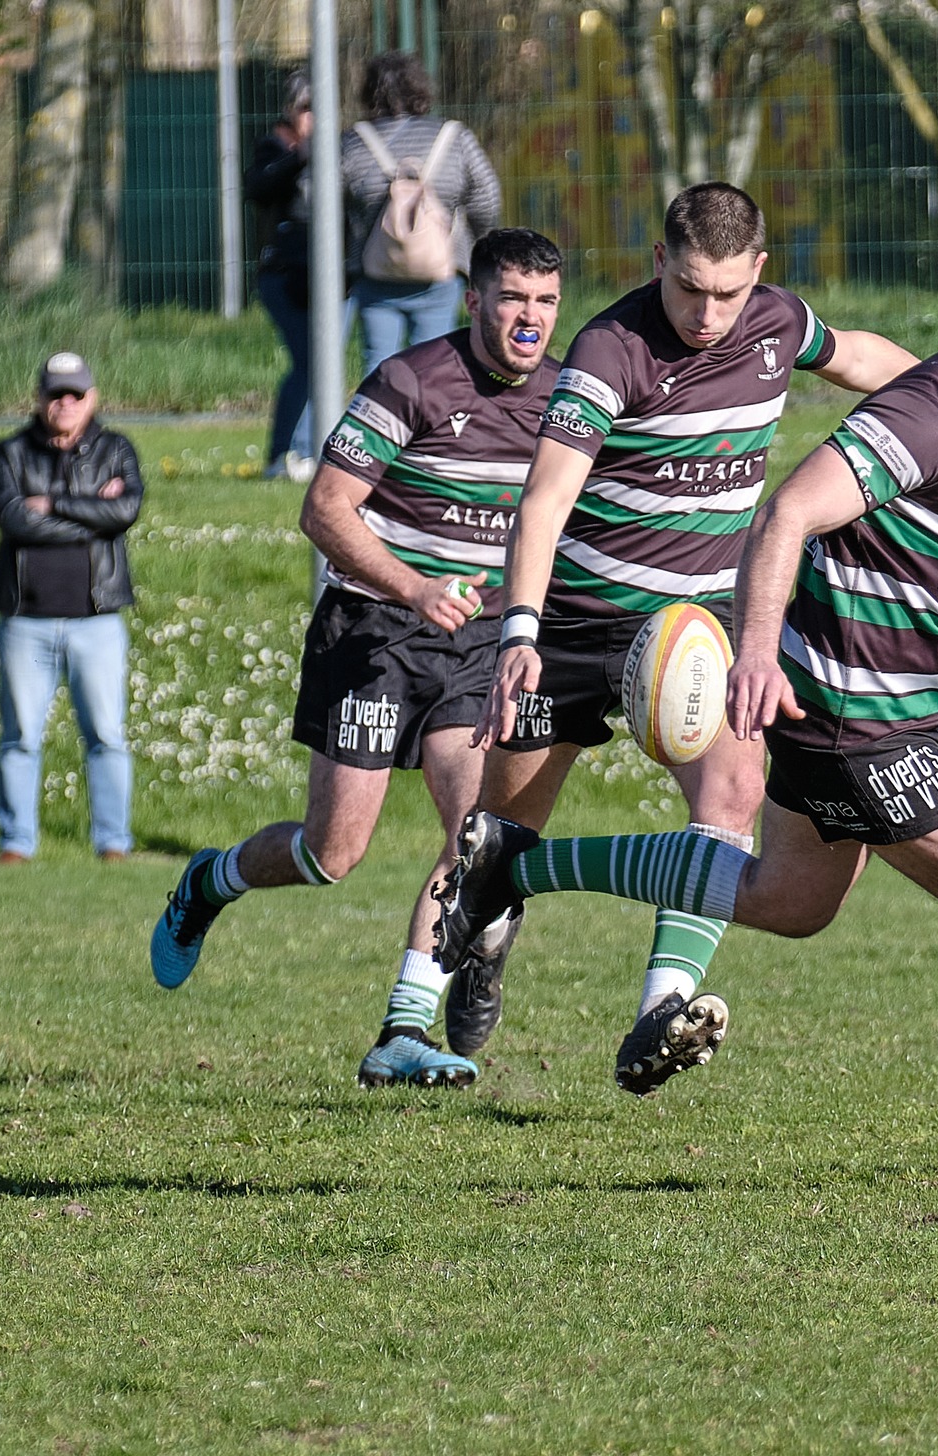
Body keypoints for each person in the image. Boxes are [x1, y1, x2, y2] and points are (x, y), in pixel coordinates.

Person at [437, 208, 938, 1190]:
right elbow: (789, 511)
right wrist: (753, 653)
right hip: (854, 724)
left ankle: (515, 872)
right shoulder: (931, 412)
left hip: (896, 711)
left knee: (788, 902)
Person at [453, 182, 916, 1095]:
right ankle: (490, 924)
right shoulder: (609, 350)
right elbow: (542, 502)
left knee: (735, 789)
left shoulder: (778, 322)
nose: (708, 315)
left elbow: (860, 355)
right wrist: (518, 629)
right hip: (576, 624)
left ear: (759, 272)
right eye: (689, 289)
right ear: (659, 261)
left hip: (696, 622)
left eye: (728, 294)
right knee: (505, 828)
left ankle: (660, 1011)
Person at [148, 229, 566, 1090]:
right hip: (373, 633)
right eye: (515, 299)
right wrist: (415, 588)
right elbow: (326, 509)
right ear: (474, 299)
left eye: (547, 302)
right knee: (331, 853)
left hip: (477, 644)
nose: (531, 319)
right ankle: (209, 882)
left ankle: (403, 1029)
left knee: (475, 836)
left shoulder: (565, 400)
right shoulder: (411, 380)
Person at [0, 352, 143, 865]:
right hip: (24, 621)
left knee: (106, 735)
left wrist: (51, 503)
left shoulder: (117, 449)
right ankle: (15, 844)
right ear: (40, 398)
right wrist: (93, 510)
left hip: (97, 620)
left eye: (76, 394)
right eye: (57, 394)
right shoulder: (8, 453)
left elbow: (126, 512)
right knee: (21, 736)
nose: (66, 403)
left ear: (92, 397)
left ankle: (113, 843)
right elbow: (14, 521)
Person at [341, 51, 501, 375]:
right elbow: (488, 198)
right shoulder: (454, 138)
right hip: (439, 272)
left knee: (379, 364)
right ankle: (429, 426)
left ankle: (379, 423)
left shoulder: (353, 143)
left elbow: (320, 202)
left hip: (375, 273)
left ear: (369, 91)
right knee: (433, 365)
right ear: (420, 87)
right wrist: (475, 243)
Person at [245, 71, 316, 482]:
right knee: (307, 361)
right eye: (306, 108)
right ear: (290, 110)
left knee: (317, 363)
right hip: (283, 275)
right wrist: (298, 156)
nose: (313, 117)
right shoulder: (273, 148)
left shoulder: (336, 149)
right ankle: (283, 453)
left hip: (324, 275)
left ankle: (305, 449)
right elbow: (259, 187)